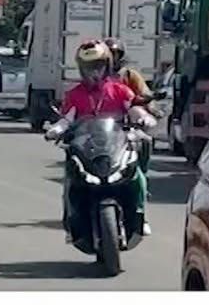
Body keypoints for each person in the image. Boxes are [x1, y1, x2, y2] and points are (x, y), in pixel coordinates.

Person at [45, 40, 152, 239]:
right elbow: (66, 119)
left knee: (135, 174)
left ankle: (139, 215)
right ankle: (72, 222)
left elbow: (133, 107)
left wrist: (143, 117)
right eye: (89, 67)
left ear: (107, 66)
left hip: (116, 145)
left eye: (98, 66)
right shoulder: (74, 94)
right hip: (85, 147)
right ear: (81, 69)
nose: (94, 71)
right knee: (72, 179)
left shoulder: (119, 89)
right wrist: (55, 130)